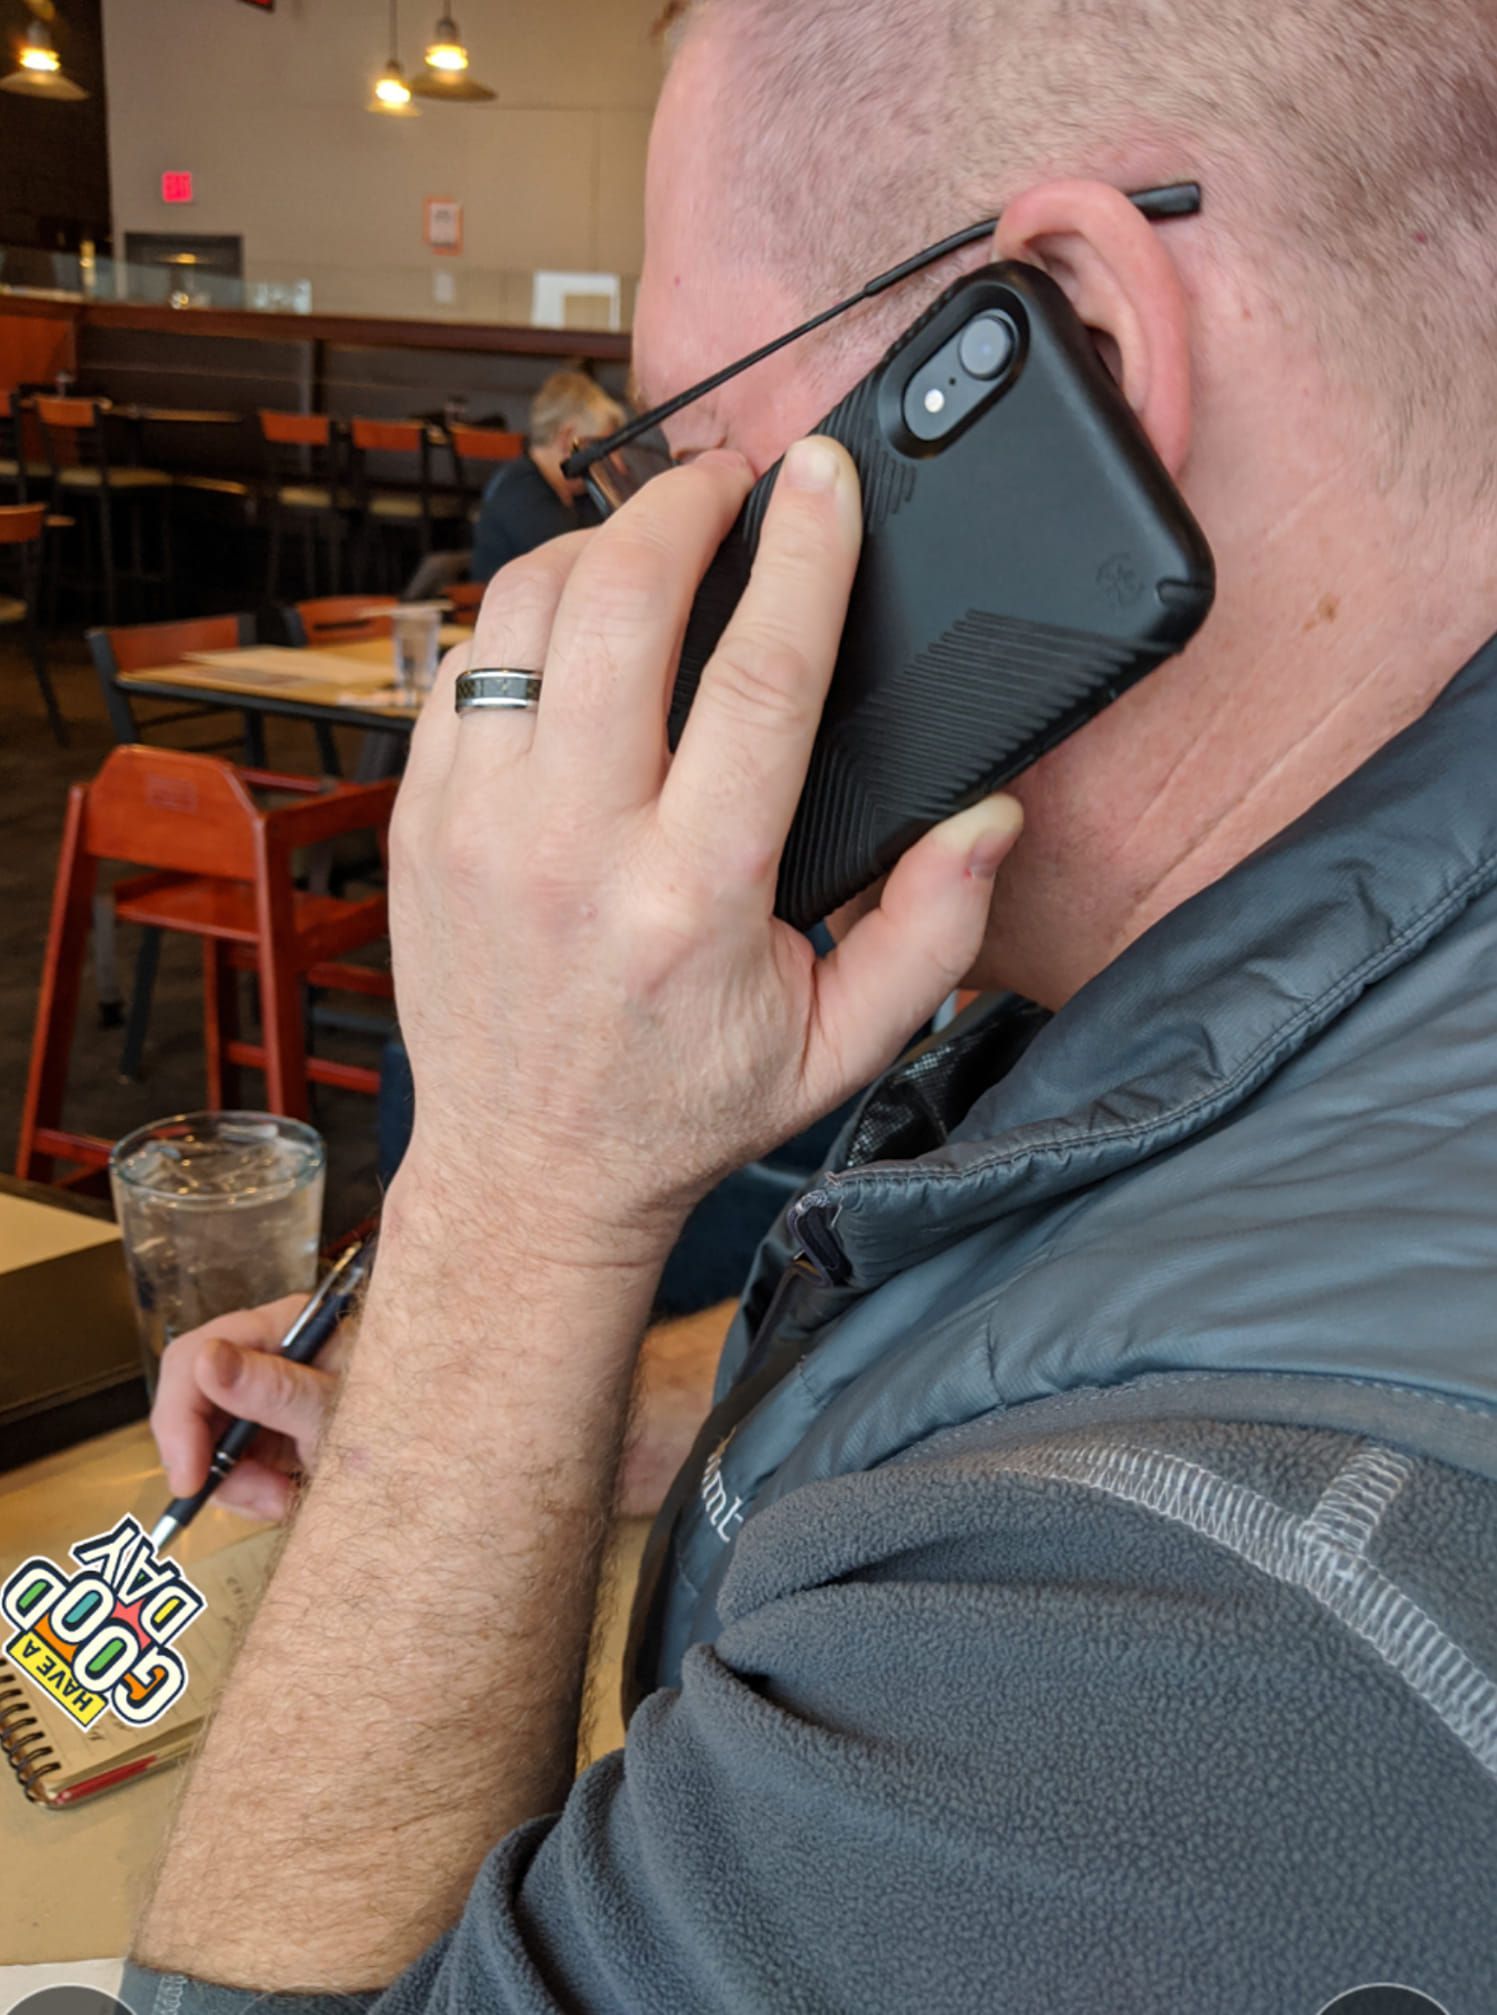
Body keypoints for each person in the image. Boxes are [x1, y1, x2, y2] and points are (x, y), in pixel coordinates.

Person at [129, 1, 1497, 2008]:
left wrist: (517, 1200)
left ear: (1074, 359)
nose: (651, 546)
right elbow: (1079, 1317)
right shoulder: (1282, 956)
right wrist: (555, 1412)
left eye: (696, 442)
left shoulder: (1187, 1615)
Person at [468, 369, 624, 582]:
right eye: (602, 447)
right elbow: (576, 567)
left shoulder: (577, 493)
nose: (616, 462)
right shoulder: (519, 490)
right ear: (568, 438)